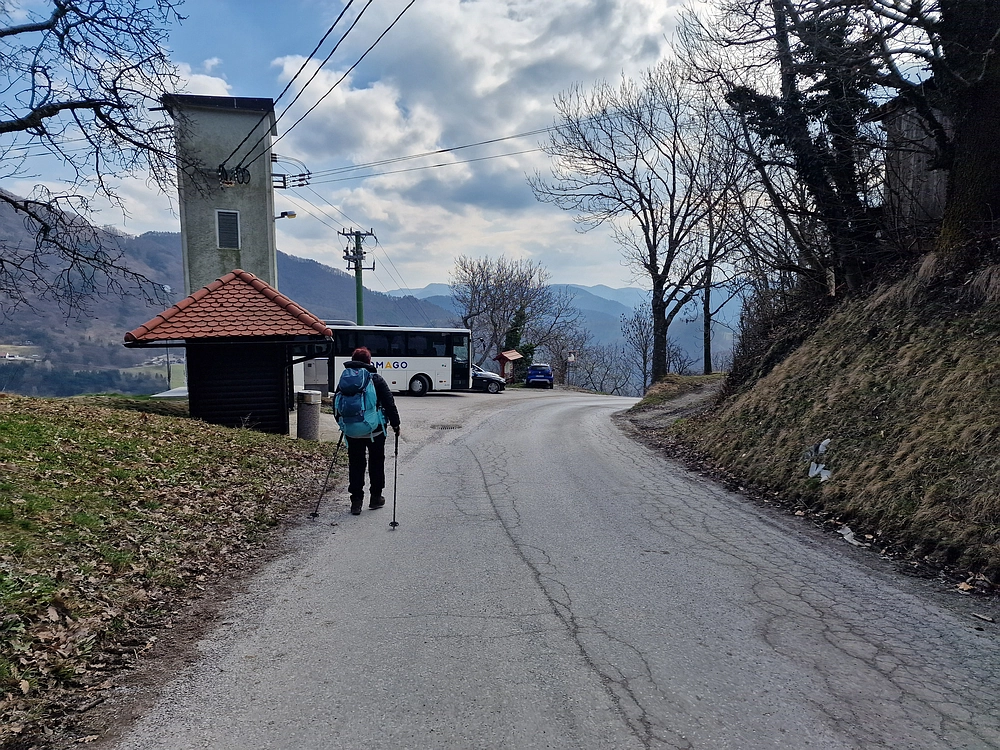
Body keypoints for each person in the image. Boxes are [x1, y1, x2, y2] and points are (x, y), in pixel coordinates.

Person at [341, 347, 401, 515]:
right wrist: (396, 424)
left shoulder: (345, 378)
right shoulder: (376, 379)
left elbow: (338, 403)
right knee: (376, 462)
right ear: (369, 362)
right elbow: (389, 403)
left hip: (352, 430)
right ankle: (375, 498)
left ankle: (356, 502)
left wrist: (343, 424)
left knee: (356, 464)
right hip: (375, 430)